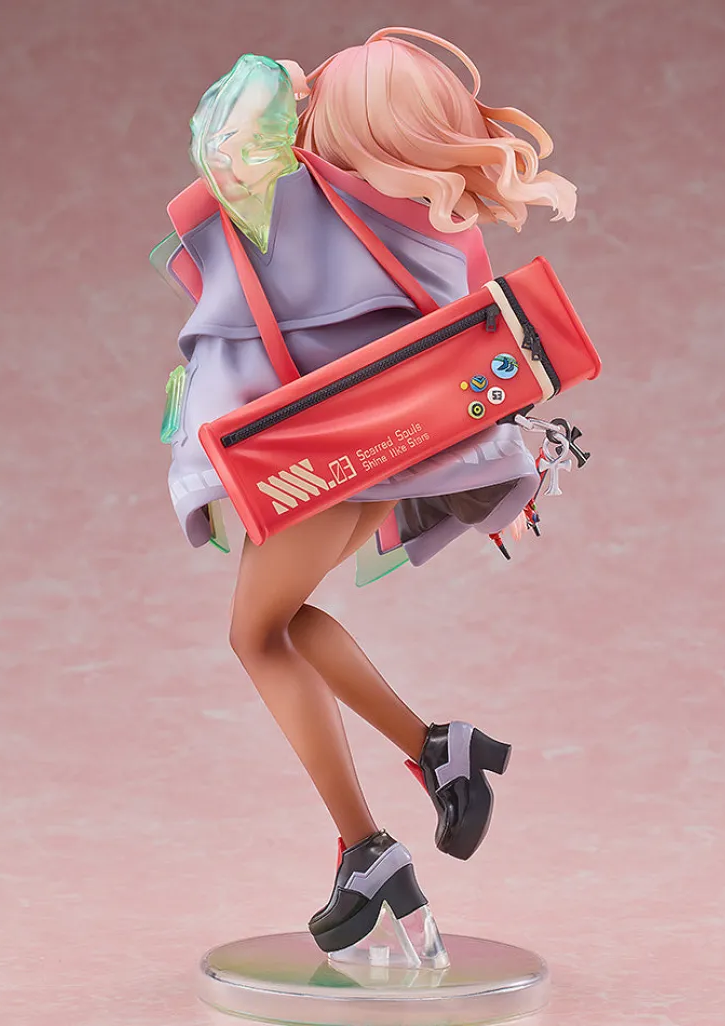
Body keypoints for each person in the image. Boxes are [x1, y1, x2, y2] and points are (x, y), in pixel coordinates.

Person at [160, 27, 576, 956]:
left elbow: (220, 145)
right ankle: (438, 751)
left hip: (326, 451)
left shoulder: (309, 204)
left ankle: (367, 847)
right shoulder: (433, 224)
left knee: (254, 635)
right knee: (280, 620)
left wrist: (282, 83)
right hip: (391, 455)